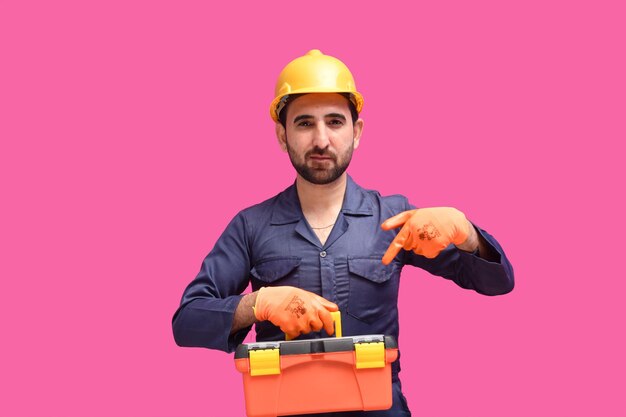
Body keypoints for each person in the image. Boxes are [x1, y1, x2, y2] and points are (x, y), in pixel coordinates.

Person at [172, 49, 514, 416]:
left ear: (357, 132)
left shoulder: (395, 218)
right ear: (282, 135)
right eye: (304, 123)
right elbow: (187, 322)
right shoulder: (250, 226)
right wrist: (256, 304)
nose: (321, 140)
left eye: (335, 122)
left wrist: (468, 236)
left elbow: (499, 283)